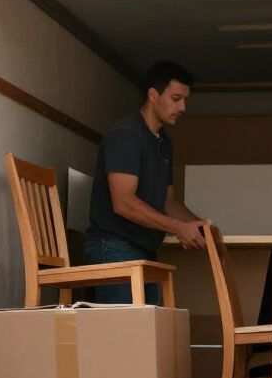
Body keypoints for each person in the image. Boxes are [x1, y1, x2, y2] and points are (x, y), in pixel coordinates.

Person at [83, 60, 206, 302]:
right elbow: (123, 202)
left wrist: (199, 227)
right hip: (115, 247)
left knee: (148, 332)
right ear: (153, 95)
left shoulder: (163, 143)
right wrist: (178, 228)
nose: (183, 107)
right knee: (125, 334)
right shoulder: (126, 136)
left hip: (145, 250)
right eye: (176, 98)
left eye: (185, 100)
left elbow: (168, 201)